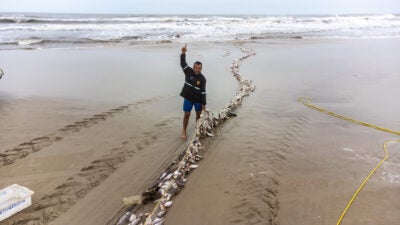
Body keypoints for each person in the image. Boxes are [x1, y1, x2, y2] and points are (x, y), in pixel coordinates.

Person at [179, 44, 206, 139]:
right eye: (196, 68)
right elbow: (183, 63)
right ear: (193, 67)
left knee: (198, 115)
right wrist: (183, 53)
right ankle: (184, 131)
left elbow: (203, 92)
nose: (197, 70)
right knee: (187, 114)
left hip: (198, 99)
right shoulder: (188, 71)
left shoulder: (202, 79)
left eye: (199, 68)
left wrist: (204, 103)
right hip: (188, 98)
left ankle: (197, 129)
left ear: (201, 69)